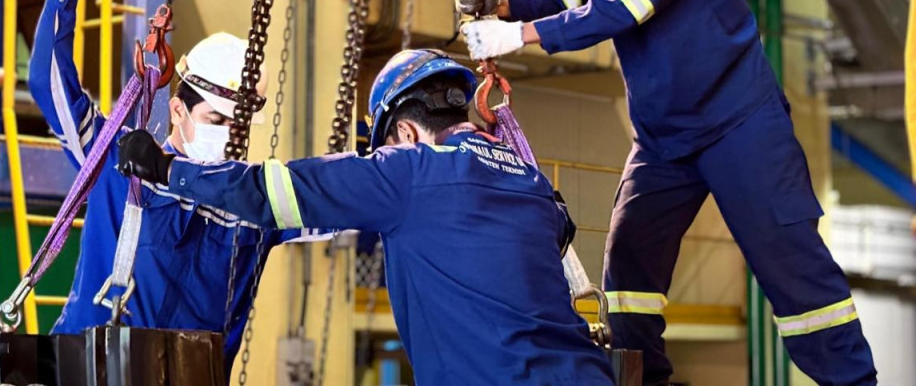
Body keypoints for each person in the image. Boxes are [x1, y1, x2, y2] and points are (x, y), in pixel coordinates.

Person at [454, 0, 877, 386]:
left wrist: (518, 35)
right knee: (627, 278)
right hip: (663, 141)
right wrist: (505, 4)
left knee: (795, 272)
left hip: (739, 127)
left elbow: (630, 6)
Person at [117, 49, 617, 385]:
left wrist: (168, 168)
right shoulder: (531, 182)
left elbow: (272, 192)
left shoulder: (409, 170)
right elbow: (555, 235)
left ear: (403, 133)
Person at [28, 0, 323, 373]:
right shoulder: (117, 161)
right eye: (217, 120)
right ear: (178, 109)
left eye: (240, 128)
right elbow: (51, 89)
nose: (230, 139)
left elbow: (349, 203)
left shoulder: (258, 204)